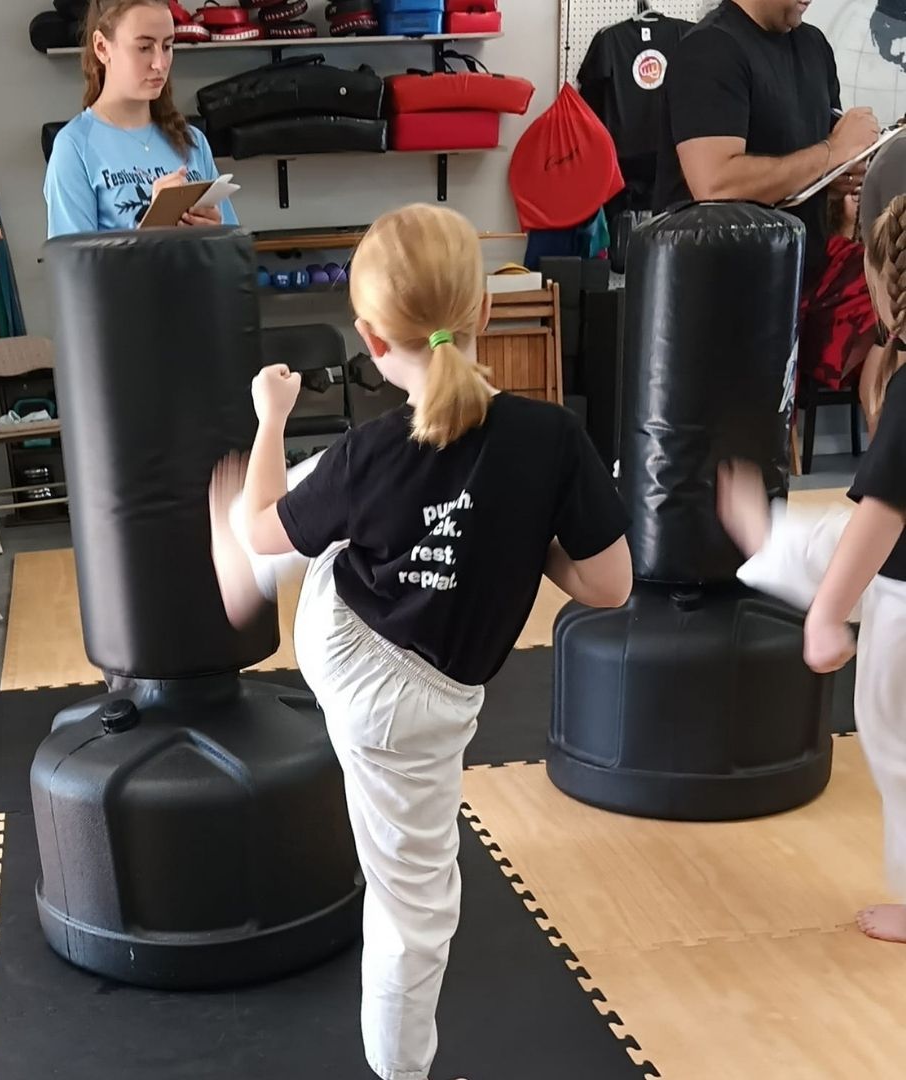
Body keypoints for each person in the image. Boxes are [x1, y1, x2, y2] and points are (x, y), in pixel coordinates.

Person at [207, 204, 634, 1080]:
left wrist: (269, 414)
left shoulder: (369, 451)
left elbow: (260, 525)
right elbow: (609, 586)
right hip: (389, 690)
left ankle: (265, 549)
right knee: (416, 915)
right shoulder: (553, 438)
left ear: (370, 339)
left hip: (361, 650)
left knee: (305, 518)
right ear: (486, 309)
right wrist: (518, 533)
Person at [717, 130, 906, 945]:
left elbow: (882, 513)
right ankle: (771, 542)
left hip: (899, 593)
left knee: (897, 747)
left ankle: (772, 545)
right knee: (826, 541)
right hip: (886, 569)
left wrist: (827, 618)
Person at [654, 0, 882, 403]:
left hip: (807, 267)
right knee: (755, 426)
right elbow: (715, 182)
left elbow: (815, 160)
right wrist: (831, 153)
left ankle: (890, 441)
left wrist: (840, 171)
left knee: (896, 311)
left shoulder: (813, 47)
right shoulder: (710, 50)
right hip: (724, 288)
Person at [43, 0, 237, 238]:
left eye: (167, 46)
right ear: (102, 47)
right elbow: (74, 259)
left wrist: (215, 237)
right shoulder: (74, 147)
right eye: (144, 48)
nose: (160, 64)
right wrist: (150, 231)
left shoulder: (193, 140)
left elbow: (234, 248)